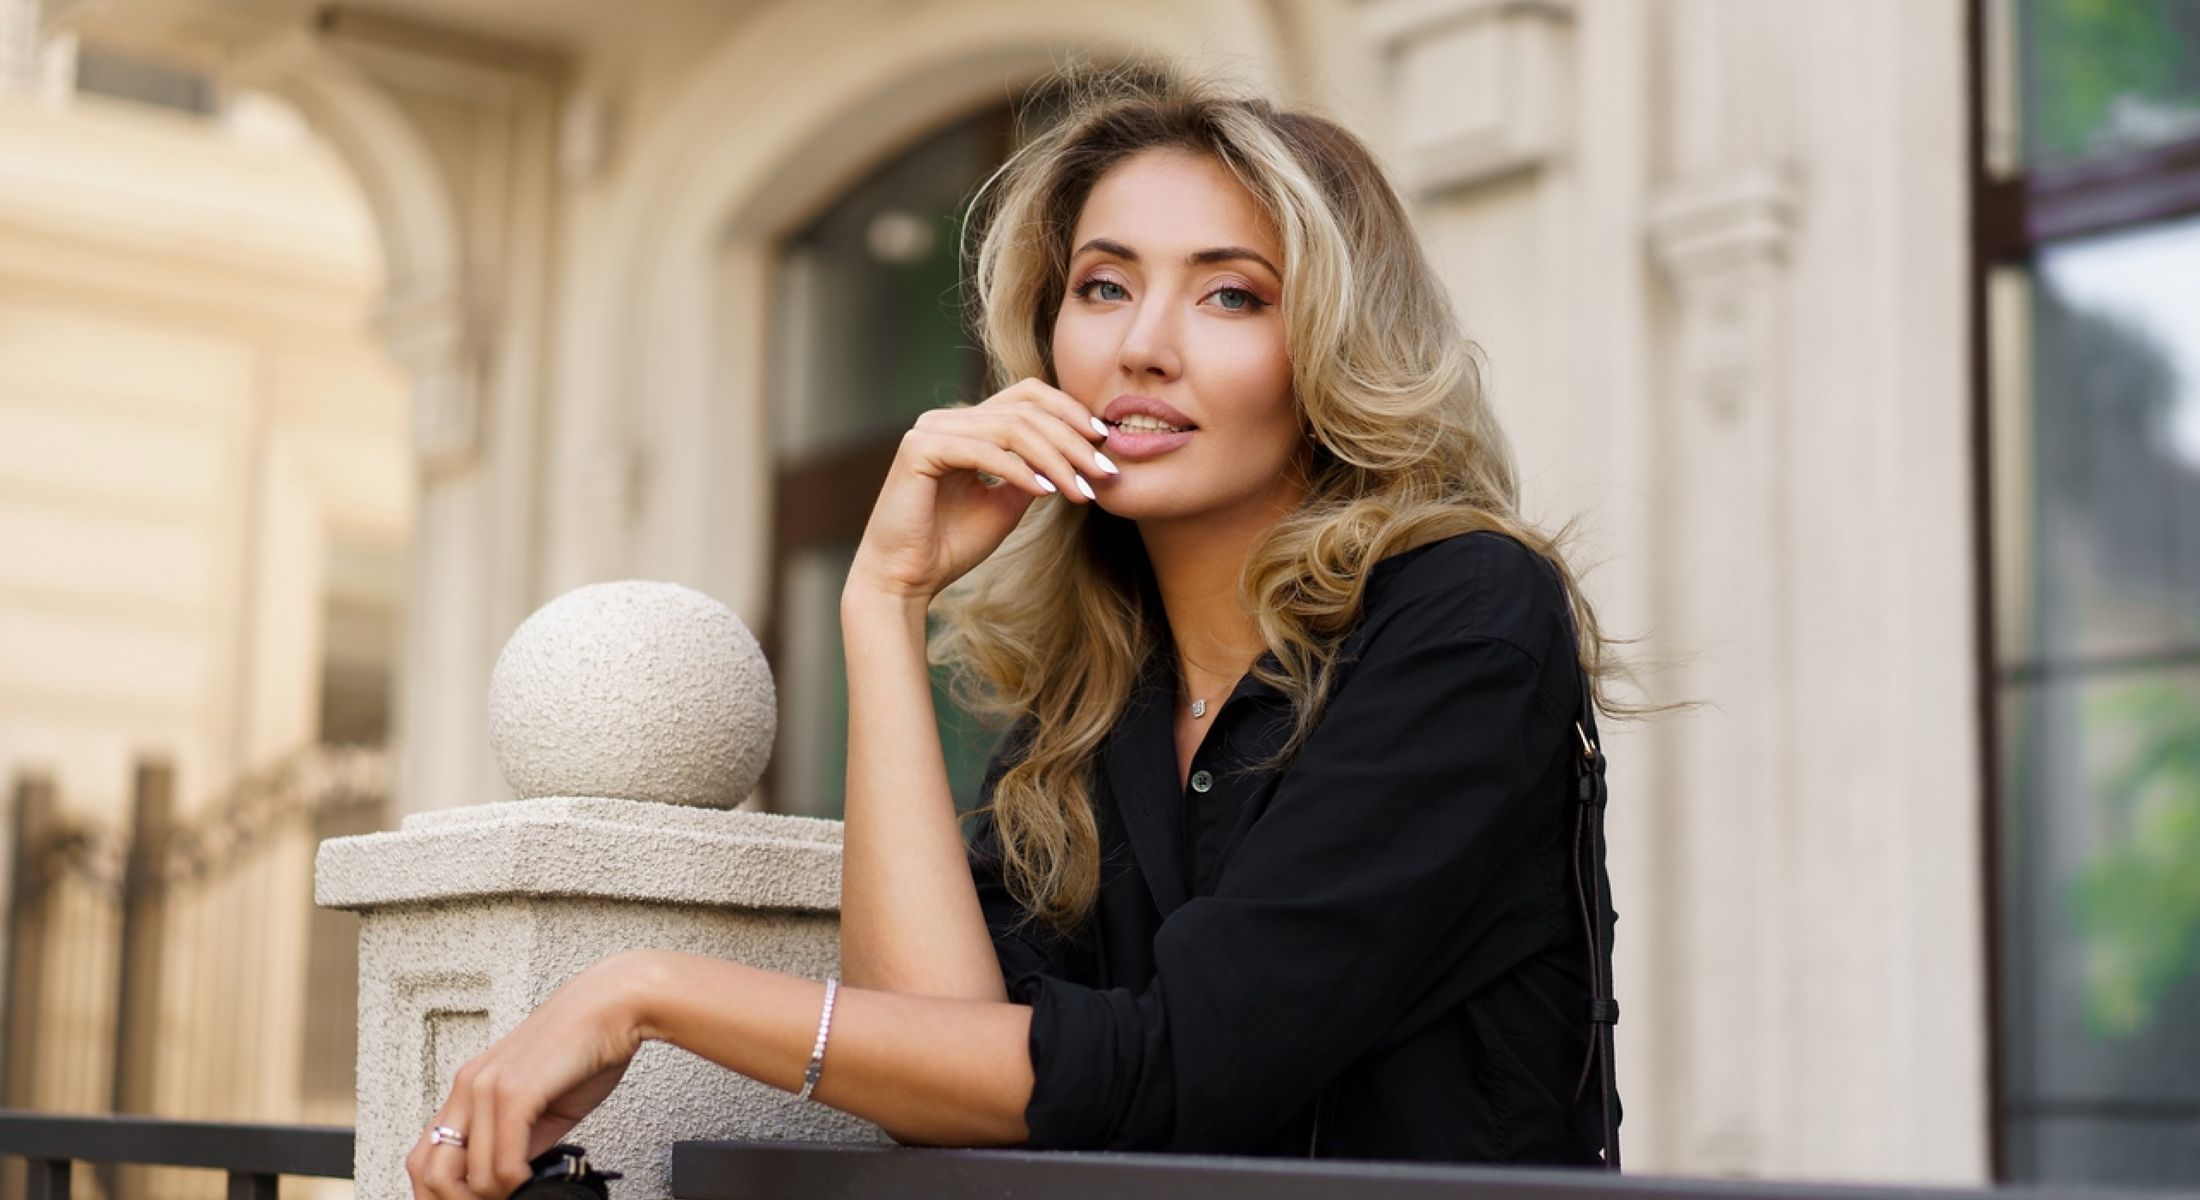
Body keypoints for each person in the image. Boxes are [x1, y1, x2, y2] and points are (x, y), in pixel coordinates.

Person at [404, 68, 1626, 1200]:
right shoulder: (1104, 695)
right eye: (1103, 285)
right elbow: (941, 1074)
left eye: (1230, 294)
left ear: (1335, 350)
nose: (1143, 344)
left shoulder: (1465, 617)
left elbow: (1175, 1074)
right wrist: (882, 601)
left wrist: (645, 990)